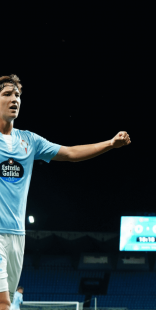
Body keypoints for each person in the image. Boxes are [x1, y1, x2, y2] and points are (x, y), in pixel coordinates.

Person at [0, 75, 131, 310]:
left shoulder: (28, 140)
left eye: (17, 95)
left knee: (7, 299)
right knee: (4, 303)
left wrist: (110, 144)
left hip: (18, 235)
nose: (14, 100)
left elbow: (70, 153)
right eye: (7, 94)